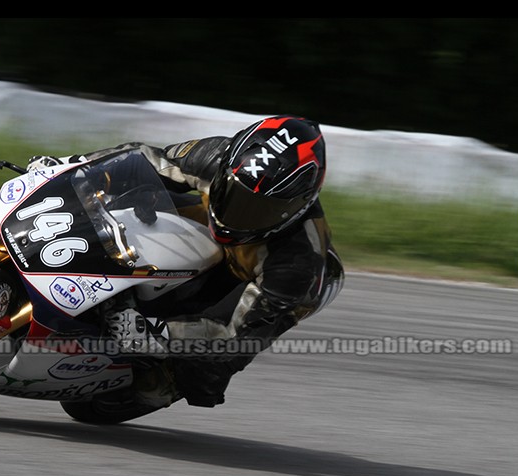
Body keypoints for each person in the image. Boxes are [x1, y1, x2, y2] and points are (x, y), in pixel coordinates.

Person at [27, 115, 345, 409]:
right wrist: (69, 167)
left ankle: (157, 364)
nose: (240, 214)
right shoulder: (214, 156)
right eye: (234, 195)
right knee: (130, 197)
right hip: (206, 224)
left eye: (258, 209)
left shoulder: (297, 263)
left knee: (196, 373)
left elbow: (233, 332)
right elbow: (141, 160)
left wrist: (162, 334)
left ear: (295, 208)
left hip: (251, 287)